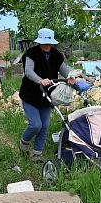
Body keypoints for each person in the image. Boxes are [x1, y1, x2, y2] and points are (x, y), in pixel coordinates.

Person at [19, 28, 76, 160]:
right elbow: (28, 71)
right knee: (35, 125)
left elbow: (64, 69)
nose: (47, 45)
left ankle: (37, 154)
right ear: (39, 42)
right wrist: (40, 80)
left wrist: (70, 76)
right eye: (44, 42)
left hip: (46, 96)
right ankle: (24, 142)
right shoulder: (31, 53)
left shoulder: (56, 54)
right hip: (30, 95)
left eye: (49, 43)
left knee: (44, 126)